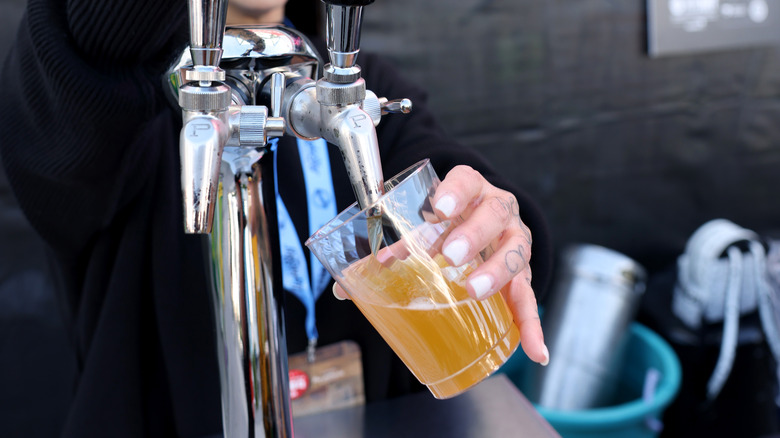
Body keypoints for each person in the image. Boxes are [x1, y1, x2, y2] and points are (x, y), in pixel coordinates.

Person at [0, 0, 552, 436]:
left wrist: (493, 224)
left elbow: (442, 175)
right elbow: (77, 72)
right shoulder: (119, 107)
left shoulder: (360, 85)